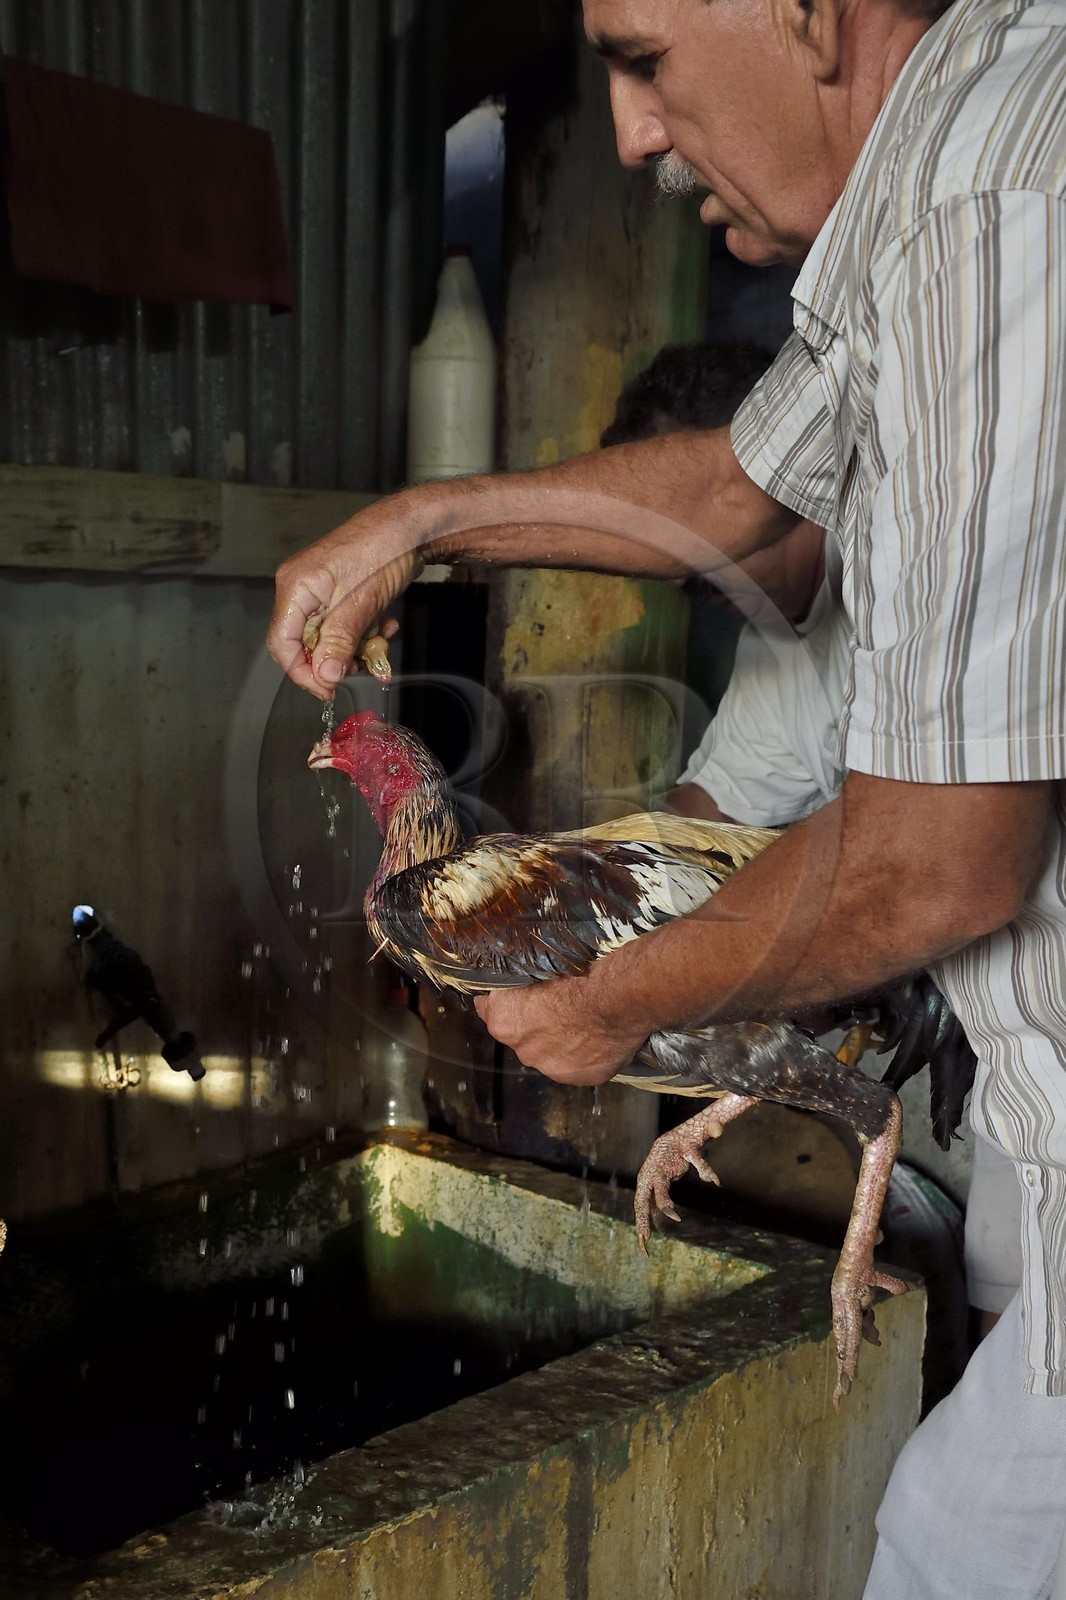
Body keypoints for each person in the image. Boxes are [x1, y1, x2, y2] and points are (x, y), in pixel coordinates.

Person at [269, 0, 1066, 1591]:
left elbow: (933, 861)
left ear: (803, 9)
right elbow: (749, 504)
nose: (628, 130)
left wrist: (607, 1007)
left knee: (941, 1547)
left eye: (641, 56)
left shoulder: (989, 211)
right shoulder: (904, 224)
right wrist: (424, 522)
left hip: (1007, 1019)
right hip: (1023, 1082)